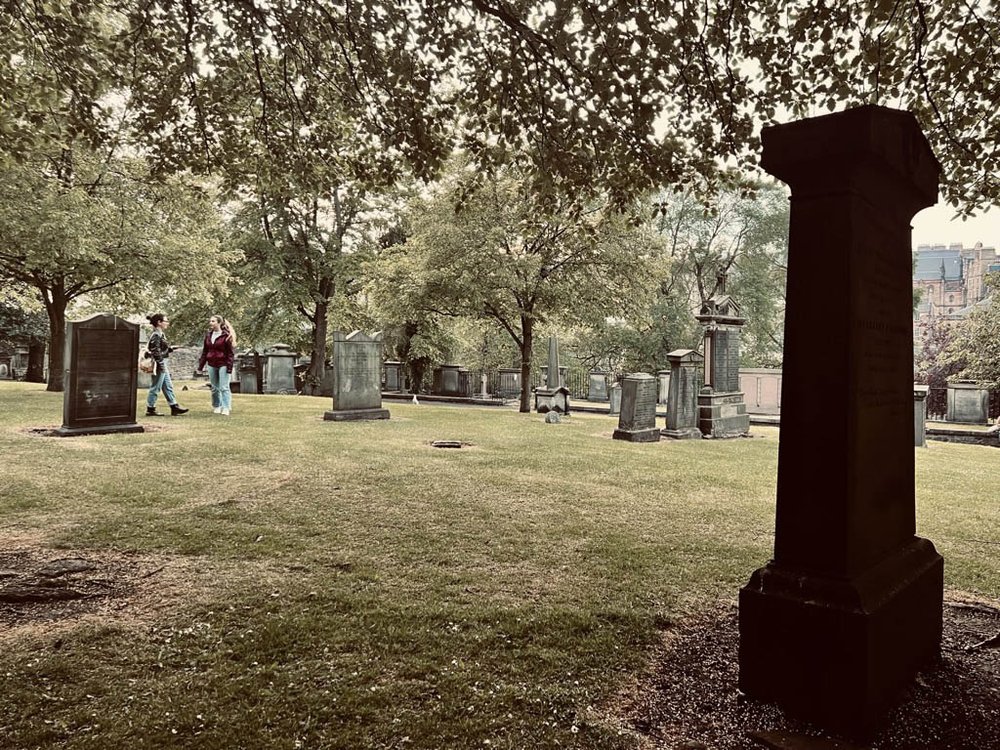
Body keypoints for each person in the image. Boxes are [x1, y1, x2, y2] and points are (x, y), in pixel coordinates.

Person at [145, 313, 188, 416]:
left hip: (163, 362)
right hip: (160, 363)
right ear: (159, 322)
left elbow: (161, 349)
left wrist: (170, 349)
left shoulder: (160, 333)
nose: (167, 323)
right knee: (156, 386)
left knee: (167, 386)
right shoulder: (156, 335)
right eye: (166, 321)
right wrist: (161, 365)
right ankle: (150, 408)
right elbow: (155, 351)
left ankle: (174, 406)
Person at [198, 314, 236, 416]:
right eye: (210, 321)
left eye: (213, 321)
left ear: (219, 323)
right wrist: (200, 367)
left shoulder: (226, 336)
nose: (211, 323)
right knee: (214, 388)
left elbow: (230, 354)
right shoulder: (208, 335)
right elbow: (205, 352)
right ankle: (217, 406)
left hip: (223, 363)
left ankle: (226, 407)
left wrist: (229, 367)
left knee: (224, 387)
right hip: (211, 363)